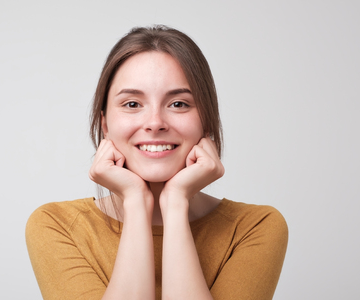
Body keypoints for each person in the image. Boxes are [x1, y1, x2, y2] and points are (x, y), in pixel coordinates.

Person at [26, 25, 288, 300]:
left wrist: (175, 203)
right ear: (105, 123)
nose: (155, 123)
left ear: (207, 121)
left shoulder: (255, 227)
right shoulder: (55, 225)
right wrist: (135, 201)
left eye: (178, 104)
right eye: (132, 104)